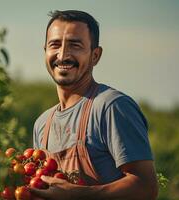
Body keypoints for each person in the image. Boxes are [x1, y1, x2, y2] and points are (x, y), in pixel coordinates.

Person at [30, 10, 158, 200]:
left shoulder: (112, 107)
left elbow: (146, 188)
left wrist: (79, 195)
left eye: (75, 45)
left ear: (95, 55)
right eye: (54, 44)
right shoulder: (42, 125)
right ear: (45, 51)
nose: (63, 54)